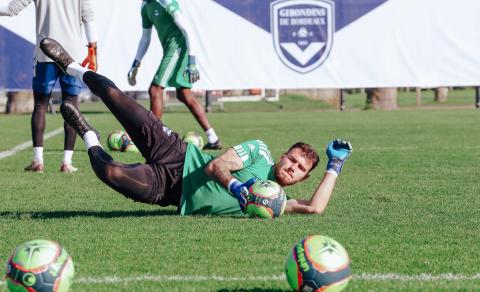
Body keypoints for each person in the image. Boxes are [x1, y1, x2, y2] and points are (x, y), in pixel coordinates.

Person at [40, 38, 353, 215]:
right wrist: (238, 187)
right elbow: (216, 165)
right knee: (114, 96)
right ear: (283, 154)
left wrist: (335, 165)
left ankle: (87, 132)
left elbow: (315, 208)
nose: (292, 168)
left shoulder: (275, 203)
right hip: (176, 153)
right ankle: (71, 66)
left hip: (171, 192)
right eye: (292, 159)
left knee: (110, 173)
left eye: (299, 169)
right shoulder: (259, 152)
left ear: (302, 178)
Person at [0, 0, 98, 173]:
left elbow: (11, 10)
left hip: (45, 53)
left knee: (40, 105)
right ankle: (67, 163)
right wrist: (93, 50)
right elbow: (88, 17)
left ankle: (38, 161)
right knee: (72, 106)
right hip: (72, 55)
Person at [127, 0, 222, 150]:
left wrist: (192, 62)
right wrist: (136, 63)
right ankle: (213, 137)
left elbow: (188, 31)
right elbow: (145, 37)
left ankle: (155, 140)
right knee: (184, 94)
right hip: (171, 50)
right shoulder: (145, 6)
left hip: (178, 49)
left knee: (155, 90)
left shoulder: (166, 2)